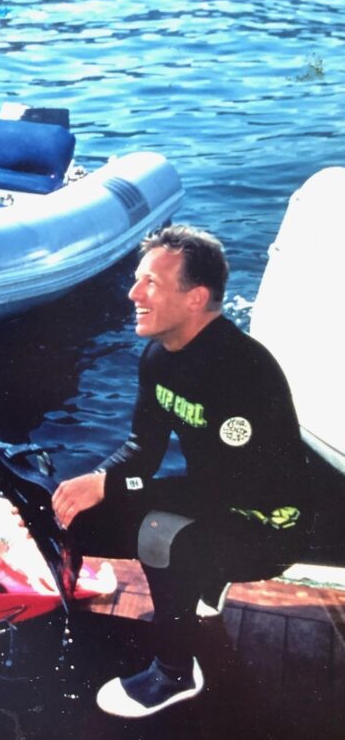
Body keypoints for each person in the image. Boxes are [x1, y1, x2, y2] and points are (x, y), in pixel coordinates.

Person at [52, 225, 311, 719]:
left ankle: (175, 673)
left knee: (160, 533)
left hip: (273, 523)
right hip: (215, 500)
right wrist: (91, 486)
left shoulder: (240, 372)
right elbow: (139, 450)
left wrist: (114, 486)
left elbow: (233, 485)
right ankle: (198, 585)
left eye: (150, 282)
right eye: (136, 280)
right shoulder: (159, 357)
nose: (132, 293)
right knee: (77, 516)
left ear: (196, 298)